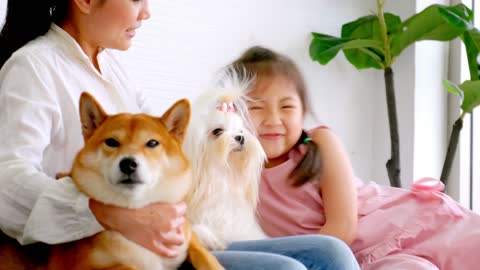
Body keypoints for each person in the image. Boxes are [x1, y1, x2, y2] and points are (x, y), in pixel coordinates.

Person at [0, 1, 360, 269]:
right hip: (104, 249)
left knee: (331, 253)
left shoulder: (114, 72)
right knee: (287, 269)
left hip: (159, 238)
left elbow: (163, 155)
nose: (146, 12)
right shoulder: (34, 67)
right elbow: (6, 177)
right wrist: (103, 211)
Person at [232, 45, 480, 269]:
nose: (273, 120)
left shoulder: (318, 143)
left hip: (405, 227)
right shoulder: (230, 168)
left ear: (303, 111)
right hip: (366, 260)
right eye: (255, 107)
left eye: (287, 107)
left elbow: (342, 228)